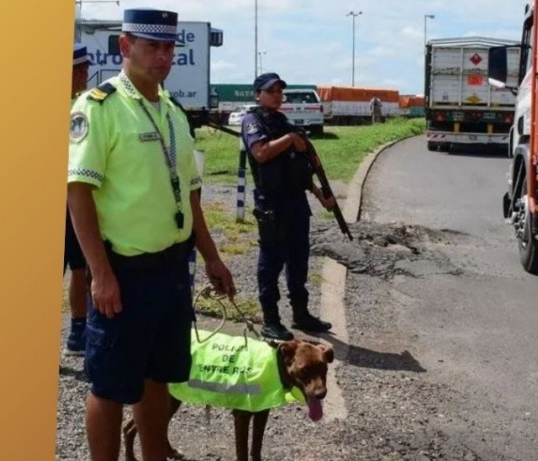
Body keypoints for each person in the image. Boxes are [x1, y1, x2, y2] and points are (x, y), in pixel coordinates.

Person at [66, 8, 236, 461]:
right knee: (109, 385)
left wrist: (213, 258)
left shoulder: (173, 112)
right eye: (153, 46)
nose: (164, 57)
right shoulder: (99, 107)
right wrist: (100, 274)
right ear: (125, 47)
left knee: (158, 376)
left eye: (170, 48)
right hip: (123, 273)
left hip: (171, 271)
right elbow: (78, 192)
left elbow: (192, 196)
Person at [240, 72, 336, 341]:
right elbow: (260, 152)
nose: (277, 95)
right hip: (272, 204)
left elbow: (301, 168)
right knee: (271, 262)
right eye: (271, 91)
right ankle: (271, 320)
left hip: (296, 202)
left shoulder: (283, 121)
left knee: (299, 260)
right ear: (258, 94)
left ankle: (301, 314)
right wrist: (290, 140)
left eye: (280, 91)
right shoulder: (253, 120)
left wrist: (320, 194)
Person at [64, 43, 92, 356]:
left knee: (80, 267)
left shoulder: (80, 108)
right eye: (80, 69)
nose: (85, 74)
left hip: (73, 203)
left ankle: (77, 329)